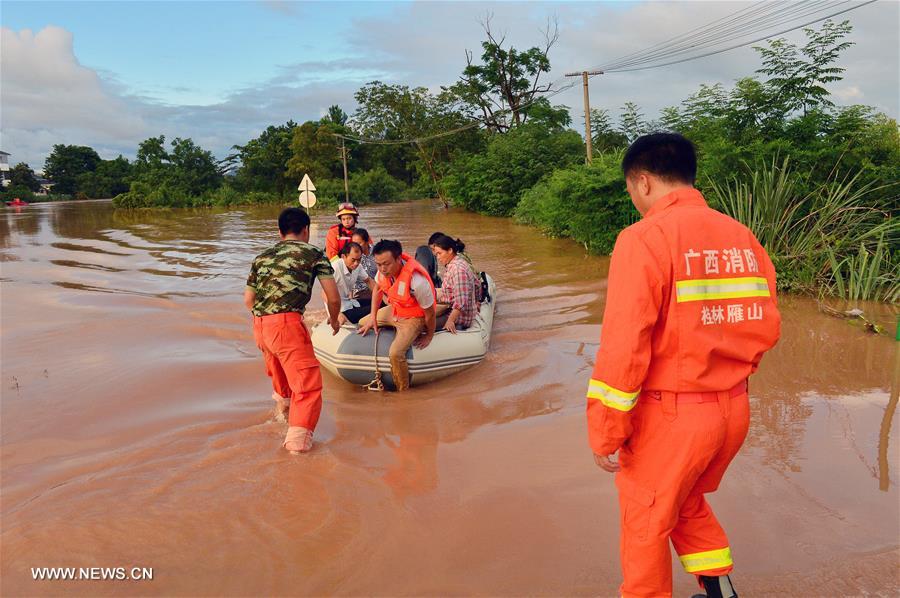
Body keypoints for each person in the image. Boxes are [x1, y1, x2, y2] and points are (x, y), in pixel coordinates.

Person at [585, 133, 781, 598]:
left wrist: (605, 429)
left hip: (673, 418)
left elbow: (624, 345)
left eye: (631, 190)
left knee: (644, 520)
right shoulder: (741, 237)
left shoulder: (644, 238)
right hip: (733, 410)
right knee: (685, 500)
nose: (634, 200)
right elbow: (765, 323)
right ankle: (721, 593)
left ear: (645, 181)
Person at [244, 208, 341, 454]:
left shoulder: (262, 256)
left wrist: (266, 320)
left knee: (282, 377)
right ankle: (297, 449)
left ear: (280, 231)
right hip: (286, 325)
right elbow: (332, 297)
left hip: (260, 326)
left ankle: (281, 419)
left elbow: (248, 300)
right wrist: (334, 320)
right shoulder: (314, 253)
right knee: (307, 386)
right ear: (306, 230)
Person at [357, 240, 437, 391]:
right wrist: (373, 316)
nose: (382, 269)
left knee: (395, 353)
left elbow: (430, 313)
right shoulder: (382, 272)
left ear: (399, 258)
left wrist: (429, 335)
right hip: (396, 310)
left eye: (386, 264)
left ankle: (403, 392)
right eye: (379, 264)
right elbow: (377, 290)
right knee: (363, 322)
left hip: (414, 316)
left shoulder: (417, 282)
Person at [430, 234, 479, 334]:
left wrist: (450, 321)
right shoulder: (455, 263)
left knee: (418, 323)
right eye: (436, 255)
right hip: (448, 307)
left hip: (459, 317)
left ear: (450, 250)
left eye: (440, 253)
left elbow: (460, 302)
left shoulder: (458, 270)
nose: (438, 258)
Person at [428, 231, 482, 301]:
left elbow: (462, 300)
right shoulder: (455, 259)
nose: (434, 254)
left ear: (449, 250)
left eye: (437, 251)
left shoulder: (458, 266)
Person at [331, 241, 376, 324]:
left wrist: (384, 295)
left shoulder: (358, 266)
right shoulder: (335, 267)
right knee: (377, 308)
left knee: (381, 303)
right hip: (341, 310)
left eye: (359, 260)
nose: (356, 263)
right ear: (343, 256)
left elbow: (369, 281)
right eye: (353, 260)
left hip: (350, 302)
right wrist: (336, 314)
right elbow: (324, 294)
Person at [351, 228, 377, 297]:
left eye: (359, 243)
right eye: (354, 243)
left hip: (377, 289)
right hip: (360, 292)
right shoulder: (351, 256)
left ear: (367, 241)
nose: (356, 247)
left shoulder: (377, 252)